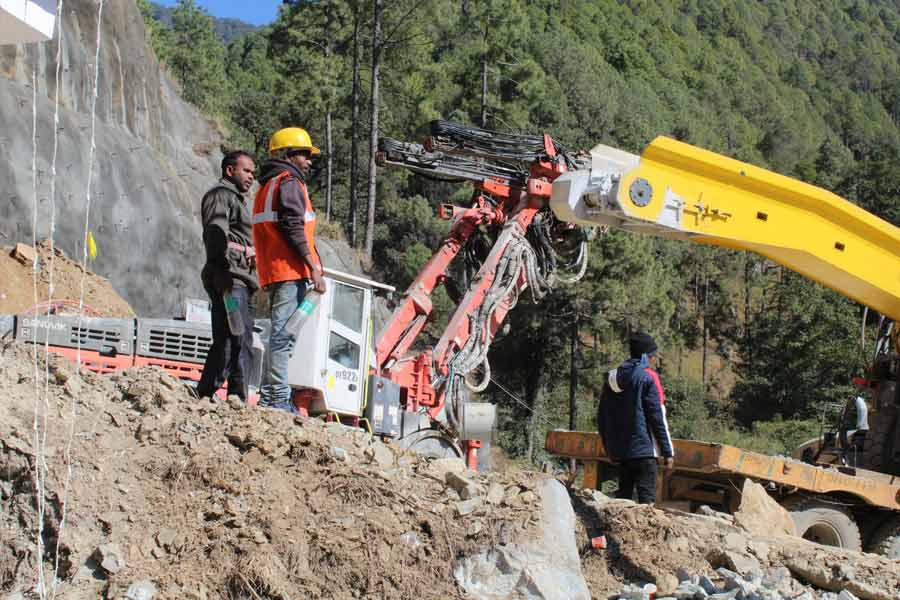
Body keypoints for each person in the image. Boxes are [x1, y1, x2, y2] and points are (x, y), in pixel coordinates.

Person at [252, 127, 326, 411]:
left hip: (274, 273)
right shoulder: (290, 183)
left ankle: (272, 397)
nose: (309, 161)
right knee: (283, 338)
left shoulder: (267, 186)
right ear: (286, 154)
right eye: (304, 154)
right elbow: (294, 227)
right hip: (290, 273)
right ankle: (277, 401)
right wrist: (313, 267)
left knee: (279, 337)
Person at [197, 150, 258, 401]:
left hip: (240, 279)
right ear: (230, 170)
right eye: (247, 170)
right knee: (233, 337)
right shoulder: (220, 196)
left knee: (239, 339)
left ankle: (232, 397)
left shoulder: (236, 200)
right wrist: (221, 270)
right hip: (230, 279)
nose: (251, 176)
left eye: (253, 172)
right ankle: (210, 394)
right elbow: (215, 232)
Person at [596, 332, 675, 504]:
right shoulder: (647, 378)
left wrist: (609, 448)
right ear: (646, 356)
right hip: (644, 452)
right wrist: (667, 452)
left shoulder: (611, 379)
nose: (654, 360)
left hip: (621, 454)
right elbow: (657, 417)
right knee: (647, 504)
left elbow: (601, 418)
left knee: (623, 502)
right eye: (653, 356)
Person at [839, 395, 869, 467]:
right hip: (860, 428)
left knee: (847, 441)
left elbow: (845, 417)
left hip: (857, 429)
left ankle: (847, 458)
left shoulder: (856, 404)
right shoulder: (859, 403)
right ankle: (849, 459)